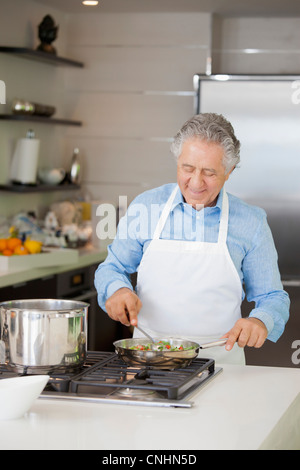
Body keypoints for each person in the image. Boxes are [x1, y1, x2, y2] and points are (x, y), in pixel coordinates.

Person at [94, 113, 290, 364]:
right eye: (188, 168)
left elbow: (272, 296)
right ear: (178, 161)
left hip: (221, 364)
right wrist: (117, 289)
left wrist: (259, 320)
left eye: (209, 172)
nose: (196, 182)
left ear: (228, 171)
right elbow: (112, 267)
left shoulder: (250, 222)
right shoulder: (147, 206)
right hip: (148, 360)